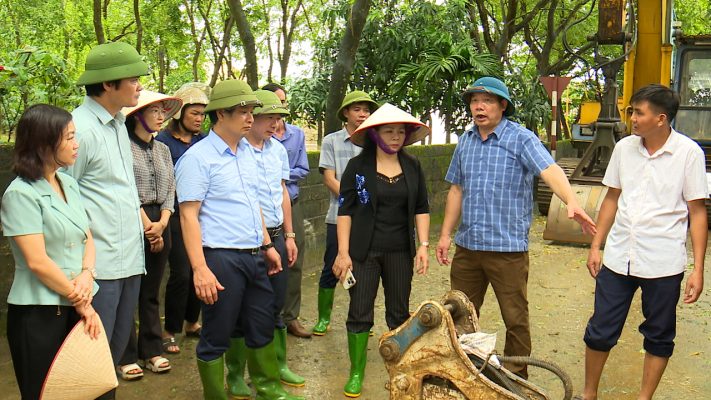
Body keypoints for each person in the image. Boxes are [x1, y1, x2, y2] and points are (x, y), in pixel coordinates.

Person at [435, 76, 596, 378]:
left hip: (506, 250)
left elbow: (549, 168)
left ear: (502, 105)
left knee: (515, 319)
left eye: (486, 101)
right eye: (474, 101)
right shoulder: (466, 141)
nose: (478, 107)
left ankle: (516, 379)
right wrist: (445, 234)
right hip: (468, 248)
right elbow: (456, 189)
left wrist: (571, 201)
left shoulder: (521, 138)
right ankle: (465, 372)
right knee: (458, 315)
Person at [175, 79, 303, 400]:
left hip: (255, 254)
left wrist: (266, 246)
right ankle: (217, 394)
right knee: (218, 331)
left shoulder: (246, 152)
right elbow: (188, 217)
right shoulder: (198, 158)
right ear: (220, 115)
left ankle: (269, 389)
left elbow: (253, 204)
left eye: (250, 112)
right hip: (221, 257)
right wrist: (200, 269)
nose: (250, 118)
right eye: (243, 112)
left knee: (260, 322)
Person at [578, 85, 707, 400]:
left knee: (659, 335)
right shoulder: (624, 149)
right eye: (632, 111)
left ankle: (644, 397)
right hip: (619, 256)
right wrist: (597, 245)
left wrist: (698, 269)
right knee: (600, 330)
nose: (632, 118)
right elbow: (611, 199)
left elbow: (697, 213)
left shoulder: (689, 153)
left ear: (661, 119)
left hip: (663, 261)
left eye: (639, 112)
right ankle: (589, 394)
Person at [66, 41, 149, 398]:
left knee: (112, 357)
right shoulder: (78, 130)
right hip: (99, 267)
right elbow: (64, 199)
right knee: (92, 358)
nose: (139, 86)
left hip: (130, 258)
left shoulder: (118, 125)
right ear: (108, 84)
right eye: (133, 79)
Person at [2, 104, 101, 399]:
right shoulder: (20, 194)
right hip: (39, 312)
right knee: (46, 392)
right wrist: (80, 301)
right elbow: (37, 261)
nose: (77, 144)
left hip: (80, 300)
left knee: (91, 388)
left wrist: (87, 273)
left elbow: (87, 236)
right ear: (44, 143)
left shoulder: (68, 182)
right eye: (69, 137)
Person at [332, 103, 431, 398]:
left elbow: (422, 208)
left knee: (399, 313)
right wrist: (343, 252)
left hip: (400, 250)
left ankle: (400, 367)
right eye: (389, 131)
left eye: (400, 132)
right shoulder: (357, 168)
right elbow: (345, 210)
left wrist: (423, 246)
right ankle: (357, 371)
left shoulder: (413, 166)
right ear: (375, 134)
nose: (395, 137)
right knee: (360, 311)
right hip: (364, 252)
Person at [225, 90, 305, 399]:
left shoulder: (278, 151)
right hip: (247, 238)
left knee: (277, 302)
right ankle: (235, 373)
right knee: (243, 307)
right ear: (252, 118)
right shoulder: (237, 150)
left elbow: (282, 191)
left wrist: (289, 235)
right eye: (269, 117)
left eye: (279, 118)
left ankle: (277, 365)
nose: (275, 124)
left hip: (277, 234)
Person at [116, 91, 182, 379]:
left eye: (161, 112)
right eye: (154, 111)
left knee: (151, 290)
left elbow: (171, 190)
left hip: (162, 219)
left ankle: (152, 350)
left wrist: (163, 222)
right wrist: (146, 224)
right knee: (129, 290)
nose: (160, 116)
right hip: (133, 219)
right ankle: (125, 354)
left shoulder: (163, 150)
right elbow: (126, 188)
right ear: (137, 115)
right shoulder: (123, 147)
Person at [313, 90, 378, 336]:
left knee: (364, 268)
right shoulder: (331, 141)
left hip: (367, 219)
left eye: (366, 110)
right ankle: (323, 318)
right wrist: (354, 199)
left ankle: (361, 318)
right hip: (337, 215)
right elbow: (329, 178)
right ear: (346, 113)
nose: (362, 114)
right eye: (357, 109)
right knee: (332, 265)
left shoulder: (374, 141)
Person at [156, 82, 210, 354]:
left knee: (201, 268)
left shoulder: (203, 142)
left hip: (201, 215)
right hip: (175, 215)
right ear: (179, 114)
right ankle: (170, 329)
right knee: (181, 272)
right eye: (194, 114)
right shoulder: (163, 142)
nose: (200, 119)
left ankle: (192, 322)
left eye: (202, 114)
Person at [262, 82, 312, 339]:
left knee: (294, 260)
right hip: (265, 211)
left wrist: (281, 176)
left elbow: (303, 169)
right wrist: (277, 177)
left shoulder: (296, 134)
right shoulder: (255, 141)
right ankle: (266, 320)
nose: (280, 108)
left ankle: (289, 317)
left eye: (283, 103)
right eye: (275, 103)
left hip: (291, 204)